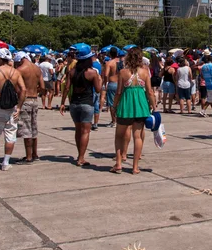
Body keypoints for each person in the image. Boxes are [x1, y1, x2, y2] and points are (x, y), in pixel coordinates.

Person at [111, 47, 156, 175]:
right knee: (138, 136)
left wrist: (114, 106)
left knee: (119, 135)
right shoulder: (145, 72)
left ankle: (119, 163)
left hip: (126, 106)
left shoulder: (123, 72)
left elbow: (119, 92)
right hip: (141, 106)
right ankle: (135, 167)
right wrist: (154, 106)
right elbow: (149, 91)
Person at [59, 46, 101, 167]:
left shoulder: (72, 72)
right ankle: (81, 158)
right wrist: (99, 79)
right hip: (87, 103)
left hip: (74, 104)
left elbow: (66, 88)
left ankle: (79, 154)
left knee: (78, 130)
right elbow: (98, 90)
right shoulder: (92, 73)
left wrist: (62, 103)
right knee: (85, 131)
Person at [14, 52, 45, 164]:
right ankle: (34, 153)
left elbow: (18, 88)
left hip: (25, 100)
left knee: (26, 129)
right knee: (33, 128)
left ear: (20, 60)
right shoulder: (37, 69)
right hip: (35, 99)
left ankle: (28, 157)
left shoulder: (20, 70)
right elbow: (42, 87)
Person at [103, 47, 123, 126]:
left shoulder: (109, 63)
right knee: (120, 103)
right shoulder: (121, 62)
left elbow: (106, 74)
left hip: (112, 83)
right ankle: (120, 119)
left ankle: (114, 121)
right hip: (120, 84)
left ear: (110, 54)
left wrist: (105, 83)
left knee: (112, 104)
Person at [199, 52, 212, 117]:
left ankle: (203, 110)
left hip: (207, 84)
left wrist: (207, 78)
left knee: (209, 99)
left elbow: (201, 76)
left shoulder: (203, 66)